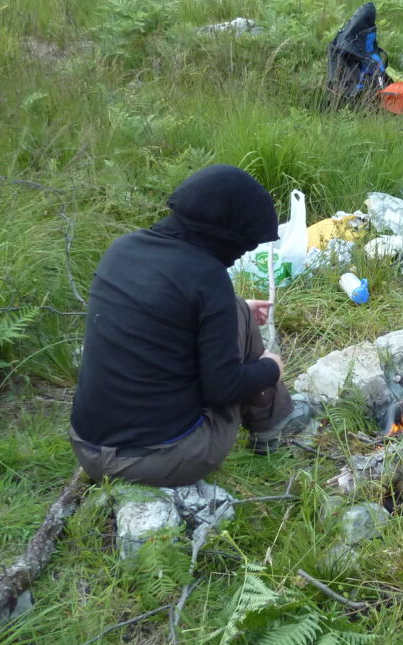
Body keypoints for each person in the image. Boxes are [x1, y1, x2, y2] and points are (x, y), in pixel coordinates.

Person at [70, 164, 298, 487]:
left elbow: (159, 318)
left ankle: (273, 418)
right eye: (244, 245)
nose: (239, 255)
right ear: (224, 233)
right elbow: (223, 389)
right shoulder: (208, 277)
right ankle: (269, 428)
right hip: (154, 461)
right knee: (244, 355)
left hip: (87, 447)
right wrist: (271, 367)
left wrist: (235, 309)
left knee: (237, 309)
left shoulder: (122, 249)